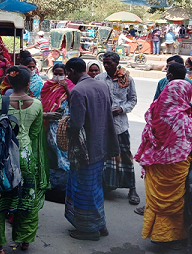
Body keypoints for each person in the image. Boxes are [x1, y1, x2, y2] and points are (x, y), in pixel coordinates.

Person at [0, 66, 49, 253]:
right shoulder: (37, 104)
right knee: (27, 200)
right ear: (28, 83)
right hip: (25, 158)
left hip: (1, 159)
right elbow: (35, 134)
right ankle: (24, 240)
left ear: (7, 82)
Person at [134, 78, 192, 250]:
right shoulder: (181, 118)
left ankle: (157, 234)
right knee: (176, 201)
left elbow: (148, 134)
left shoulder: (154, 110)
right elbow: (184, 144)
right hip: (175, 164)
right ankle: (172, 236)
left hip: (155, 162)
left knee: (156, 199)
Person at [65, 57, 119, 241]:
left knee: (84, 188)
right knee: (95, 186)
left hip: (85, 150)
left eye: (67, 73)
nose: (67, 77)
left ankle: (89, 230)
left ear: (72, 71)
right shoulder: (101, 85)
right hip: (101, 145)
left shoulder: (78, 91)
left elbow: (76, 124)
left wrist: (66, 125)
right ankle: (100, 224)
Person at [95, 52, 139, 205]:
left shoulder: (127, 79)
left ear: (117, 63)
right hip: (102, 124)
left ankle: (132, 188)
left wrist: (121, 109)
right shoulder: (99, 79)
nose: (106, 66)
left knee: (125, 156)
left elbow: (133, 100)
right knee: (105, 156)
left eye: (109, 63)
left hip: (120, 125)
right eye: (104, 63)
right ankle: (108, 185)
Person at [41, 63, 75, 199]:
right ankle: (53, 183)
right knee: (50, 151)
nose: (58, 76)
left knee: (62, 151)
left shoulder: (70, 85)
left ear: (65, 73)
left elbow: (73, 101)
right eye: (56, 72)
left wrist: (66, 88)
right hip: (48, 123)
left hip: (62, 125)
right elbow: (42, 101)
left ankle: (63, 185)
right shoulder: (47, 85)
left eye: (61, 73)